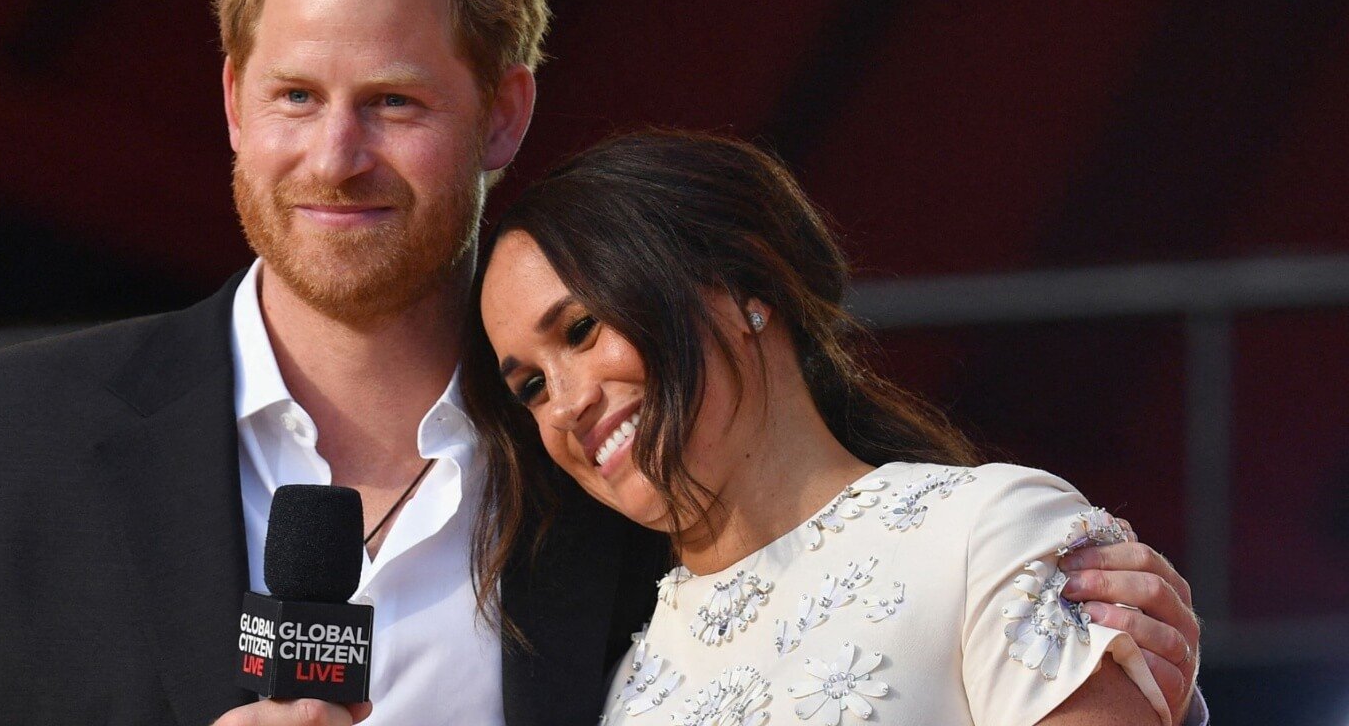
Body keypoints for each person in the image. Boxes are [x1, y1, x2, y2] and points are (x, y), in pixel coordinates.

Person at [0, 0, 1203, 725]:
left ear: (505, 113)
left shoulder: (622, 480)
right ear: (233, 102)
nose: (335, 156)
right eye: (295, 96)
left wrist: (1099, 652)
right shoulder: (20, 433)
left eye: (395, 103)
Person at [466, 129, 1200, 725]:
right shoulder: (624, 683)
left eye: (583, 329)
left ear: (745, 287)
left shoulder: (992, 535)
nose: (562, 405)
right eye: (529, 386)